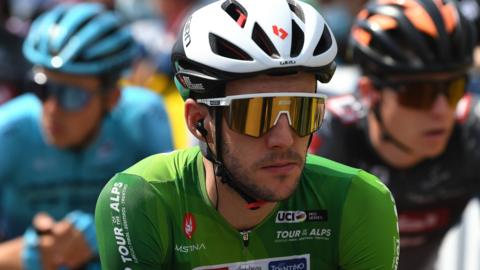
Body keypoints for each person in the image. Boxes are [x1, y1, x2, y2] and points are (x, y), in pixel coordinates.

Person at [95, 0, 399, 269]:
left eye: (303, 111)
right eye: (256, 115)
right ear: (199, 120)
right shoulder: (141, 200)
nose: (283, 138)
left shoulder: (359, 200)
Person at [0, 3, 173, 269]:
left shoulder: (143, 120)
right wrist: (28, 255)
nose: (51, 108)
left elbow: (175, 229)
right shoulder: (9, 129)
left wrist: (105, 234)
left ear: (112, 98)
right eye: (41, 88)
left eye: (72, 95)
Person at [309, 0, 480, 269]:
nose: (441, 110)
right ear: (369, 93)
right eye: (417, 94)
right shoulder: (322, 139)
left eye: (454, 89)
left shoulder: (470, 137)